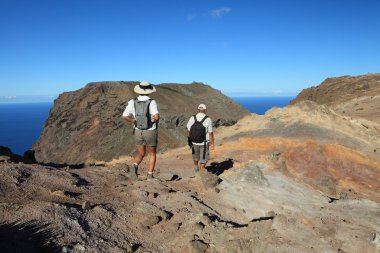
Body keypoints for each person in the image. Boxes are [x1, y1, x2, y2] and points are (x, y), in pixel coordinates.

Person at [122, 81, 159, 180]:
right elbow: (156, 117)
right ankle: (150, 175)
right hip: (150, 130)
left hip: (138, 130)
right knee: (152, 153)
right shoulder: (151, 102)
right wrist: (152, 122)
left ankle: (134, 165)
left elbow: (124, 116)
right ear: (149, 90)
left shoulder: (132, 101)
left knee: (141, 153)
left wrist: (133, 121)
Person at [186, 104, 214, 172]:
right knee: (203, 158)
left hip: (194, 142)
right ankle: (201, 172)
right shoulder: (208, 119)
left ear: (198, 110)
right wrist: (212, 143)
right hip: (204, 143)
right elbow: (210, 133)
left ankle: (196, 168)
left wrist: (190, 141)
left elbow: (188, 129)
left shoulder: (192, 118)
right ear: (205, 110)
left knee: (195, 156)